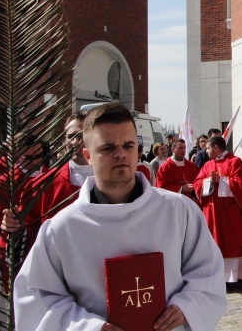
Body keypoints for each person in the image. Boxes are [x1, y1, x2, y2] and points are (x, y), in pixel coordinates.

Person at [13, 103, 227, 330]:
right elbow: (37, 298)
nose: (120, 154)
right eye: (107, 148)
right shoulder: (61, 228)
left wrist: (187, 306)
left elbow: (207, 272)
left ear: (137, 150)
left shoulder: (179, 211)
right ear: (88, 156)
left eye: (128, 145)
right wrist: (88, 327)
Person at [1, 112, 93, 246]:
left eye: (81, 135)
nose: (75, 142)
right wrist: (14, 226)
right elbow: (29, 230)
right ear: (64, 141)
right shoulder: (41, 184)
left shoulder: (121, 180)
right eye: (70, 136)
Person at [193, 135, 242, 286]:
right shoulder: (208, 165)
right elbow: (197, 182)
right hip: (213, 214)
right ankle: (221, 278)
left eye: (207, 148)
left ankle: (240, 276)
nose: (206, 151)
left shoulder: (235, 162)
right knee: (217, 244)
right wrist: (209, 181)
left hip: (232, 213)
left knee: (233, 243)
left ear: (215, 148)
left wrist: (221, 180)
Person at [156, 139, 200, 205]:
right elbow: (161, 188)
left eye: (184, 148)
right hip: (174, 204)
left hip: (190, 203)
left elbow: (198, 180)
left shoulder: (191, 166)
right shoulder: (165, 168)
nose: (183, 150)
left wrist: (194, 190)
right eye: (180, 148)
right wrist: (181, 188)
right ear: (173, 149)